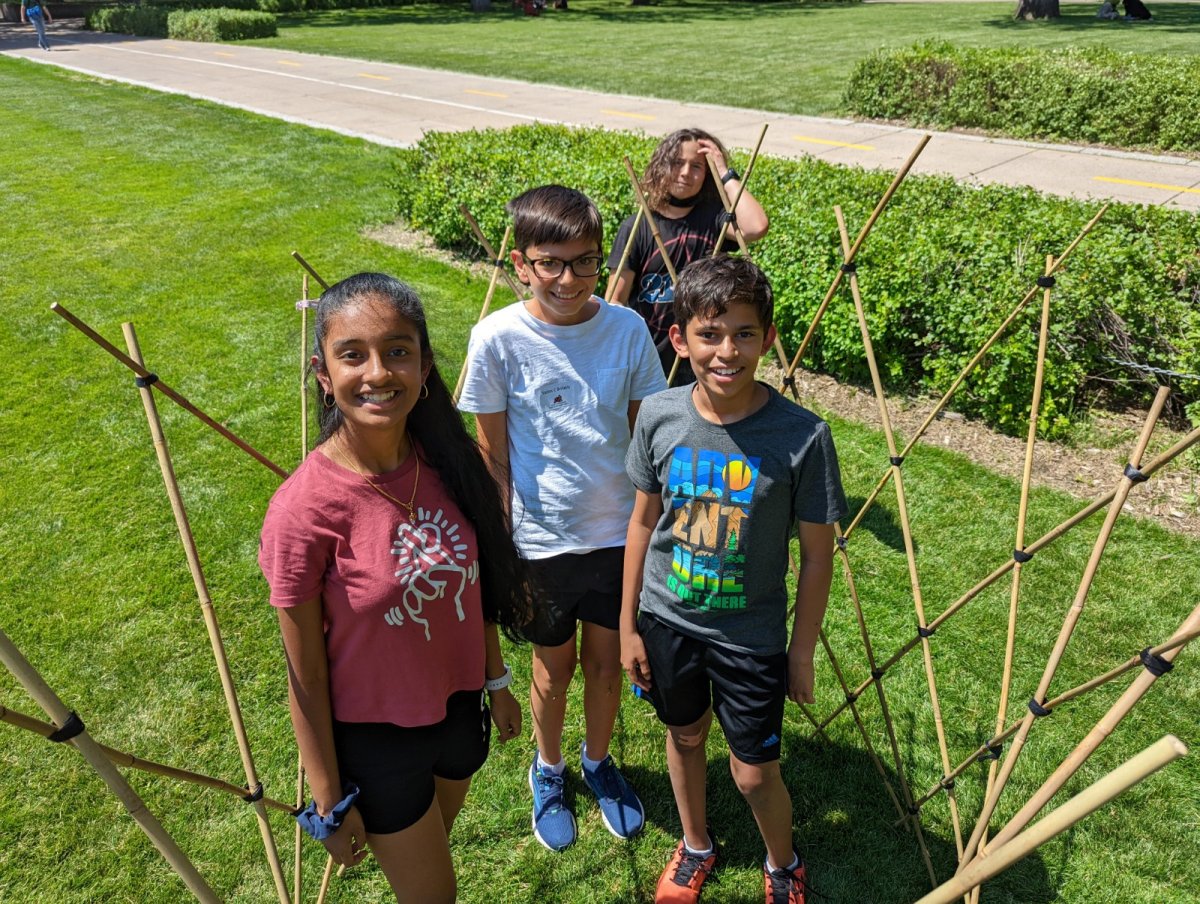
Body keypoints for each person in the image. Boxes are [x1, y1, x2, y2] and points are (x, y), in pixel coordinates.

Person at [259, 273, 533, 904]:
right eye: (352, 354)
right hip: (377, 737)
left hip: (458, 711)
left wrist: (496, 681)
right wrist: (327, 800)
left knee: (430, 853)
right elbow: (304, 675)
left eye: (398, 351)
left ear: (426, 365)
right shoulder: (305, 511)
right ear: (323, 373)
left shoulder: (448, 461)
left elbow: (475, 586)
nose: (378, 372)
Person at [620, 256, 848, 904]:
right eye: (710, 335)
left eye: (745, 334)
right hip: (667, 621)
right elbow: (641, 524)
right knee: (685, 735)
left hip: (750, 636)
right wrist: (627, 626)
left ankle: (783, 864)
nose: (727, 351)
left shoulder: (803, 437)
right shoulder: (659, 417)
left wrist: (799, 650)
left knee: (753, 772)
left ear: (768, 339)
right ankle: (696, 846)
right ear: (679, 339)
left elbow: (816, 556)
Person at [458, 185, 667, 852]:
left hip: (616, 536)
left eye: (585, 262)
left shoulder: (628, 330)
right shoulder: (495, 338)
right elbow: (493, 456)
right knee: (554, 667)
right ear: (521, 262)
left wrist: (655, 529)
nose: (569, 278)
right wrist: (502, 547)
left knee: (608, 666)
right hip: (541, 543)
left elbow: (647, 438)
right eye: (552, 262)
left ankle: (598, 763)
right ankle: (548, 769)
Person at [607, 128, 769, 386]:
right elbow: (615, 299)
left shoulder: (714, 219)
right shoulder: (639, 225)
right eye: (677, 163)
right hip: (649, 356)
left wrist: (726, 173)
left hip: (703, 356)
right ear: (661, 167)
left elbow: (756, 226)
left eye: (697, 166)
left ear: (707, 174)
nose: (685, 173)